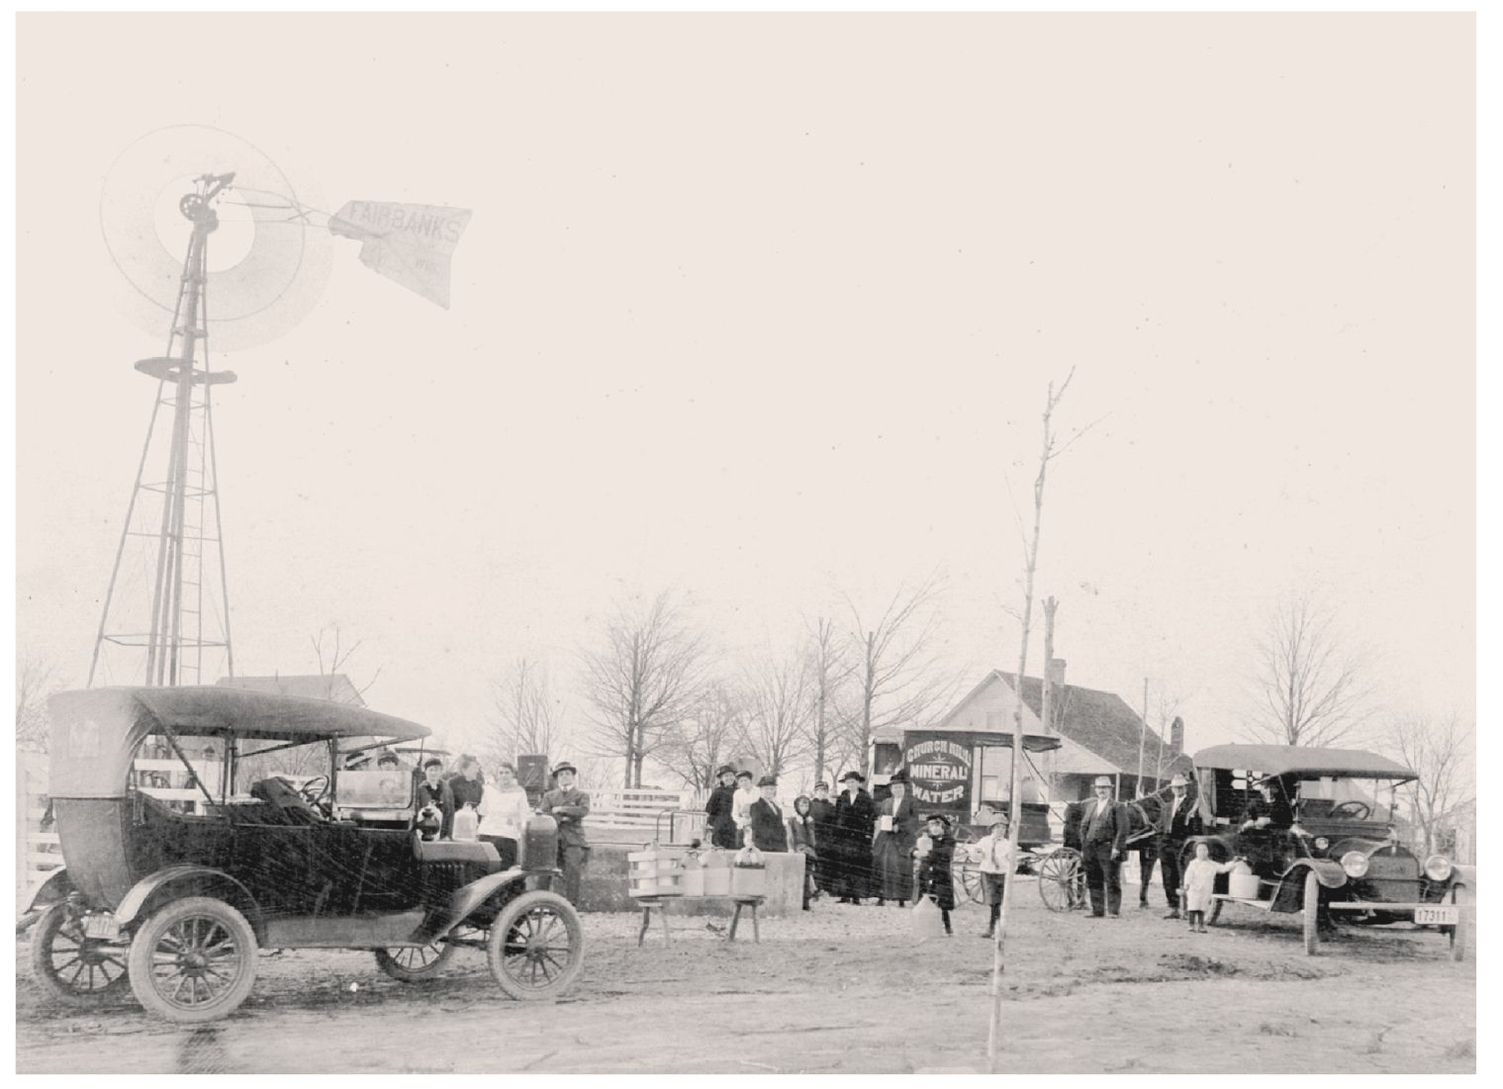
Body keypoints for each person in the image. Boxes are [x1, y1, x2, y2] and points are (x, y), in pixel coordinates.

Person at [1079, 776, 1129, 918]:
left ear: (1110, 790)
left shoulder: (1118, 806)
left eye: (1105, 788)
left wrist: (1116, 847)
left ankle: (1113, 911)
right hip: (1091, 848)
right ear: (1095, 789)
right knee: (1093, 879)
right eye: (1099, 788)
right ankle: (1098, 910)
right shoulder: (1091, 806)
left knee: (1111, 879)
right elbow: (1083, 826)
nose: (1102, 790)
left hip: (1108, 848)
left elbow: (1122, 829)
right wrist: (1085, 843)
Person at [541, 761, 591, 904]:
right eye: (561, 774)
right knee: (545, 871)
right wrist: (564, 816)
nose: (564, 777)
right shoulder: (549, 796)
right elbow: (544, 814)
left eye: (567, 773)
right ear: (557, 778)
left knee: (573, 872)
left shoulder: (581, 795)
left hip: (573, 839)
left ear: (573, 776)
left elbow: (582, 811)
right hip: (553, 839)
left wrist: (561, 809)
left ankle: (571, 906)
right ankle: (543, 904)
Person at [871, 769, 919, 907]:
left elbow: (914, 821)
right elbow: (881, 816)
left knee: (900, 865)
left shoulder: (911, 802)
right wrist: (883, 822)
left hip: (903, 839)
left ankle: (901, 898)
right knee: (881, 862)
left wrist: (901, 827)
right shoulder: (886, 802)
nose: (897, 790)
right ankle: (882, 896)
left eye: (900, 787)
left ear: (904, 788)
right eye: (895, 788)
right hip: (886, 837)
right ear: (891, 789)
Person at [1157, 773, 1201, 920]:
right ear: (1172, 789)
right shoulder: (1167, 806)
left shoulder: (1193, 804)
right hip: (1166, 845)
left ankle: (1189, 909)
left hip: (1183, 845)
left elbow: (1195, 827)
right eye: (1175, 788)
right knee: (1168, 877)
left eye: (1181, 787)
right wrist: (1160, 842)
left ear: (1185, 788)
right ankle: (1173, 908)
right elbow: (1161, 826)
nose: (1178, 790)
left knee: (1186, 877)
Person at [832, 770, 876, 904]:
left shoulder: (866, 798)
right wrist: (837, 833)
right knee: (844, 865)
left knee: (857, 865)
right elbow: (837, 816)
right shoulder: (842, 797)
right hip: (844, 837)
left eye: (853, 782)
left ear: (858, 783)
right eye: (848, 782)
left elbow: (871, 818)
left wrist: (868, 834)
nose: (850, 784)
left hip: (859, 837)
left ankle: (857, 896)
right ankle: (844, 895)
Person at [480, 760, 531, 869]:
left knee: (504, 868)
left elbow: (524, 815)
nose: (504, 776)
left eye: (507, 772)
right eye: (501, 773)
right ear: (497, 775)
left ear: (513, 774)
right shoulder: (488, 789)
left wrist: (521, 834)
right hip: (487, 832)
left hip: (507, 834)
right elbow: (482, 811)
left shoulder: (519, 792)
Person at [972, 808, 1012, 938]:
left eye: (1003, 828)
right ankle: (993, 928)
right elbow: (974, 851)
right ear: (992, 829)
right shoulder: (985, 841)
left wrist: (1011, 869)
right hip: (988, 874)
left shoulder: (1008, 844)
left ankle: (996, 929)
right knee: (992, 902)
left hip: (1002, 874)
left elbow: (1013, 861)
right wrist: (978, 853)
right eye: (998, 827)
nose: (1001, 830)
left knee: (999, 903)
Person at [1182, 843, 1241, 932]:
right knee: (1193, 907)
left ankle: (1201, 926)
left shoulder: (1212, 864)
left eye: (1204, 850)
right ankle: (1191, 925)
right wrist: (1187, 884)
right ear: (1196, 852)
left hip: (1206, 889)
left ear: (1208, 852)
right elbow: (1188, 875)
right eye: (1200, 850)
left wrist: (1234, 862)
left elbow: (1223, 868)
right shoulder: (1193, 864)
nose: (1202, 852)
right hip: (1194, 889)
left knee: (1202, 907)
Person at [916, 813, 957, 936]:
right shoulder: (926, 839)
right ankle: (926, 926)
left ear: (943, 828)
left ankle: (947, 927)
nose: (934, 828)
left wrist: (928, 853)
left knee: (942, 903)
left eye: (937, 825)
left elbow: (945, 853)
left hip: (941, 875)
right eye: (932, 826)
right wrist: (915, 853)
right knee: (925, 899)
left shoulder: (949, 841)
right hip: (926, 873)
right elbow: (914, 848)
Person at [788, 795, 819, 910]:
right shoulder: (792, 820)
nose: (804, 807)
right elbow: (790, 836)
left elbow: (812, 837)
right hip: (798, 848)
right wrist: (791, 848)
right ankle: (797, 900)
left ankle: (806, 900)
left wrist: (813, 848)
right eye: (801, 805)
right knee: (800, 875)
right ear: (797, 806)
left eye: (806, 805)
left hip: (809, 849)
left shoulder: (810, 820)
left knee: (808, 874)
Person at [808, 782, 839, 896]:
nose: (822, 792)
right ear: (815, 791)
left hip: (827, 839)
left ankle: (824, 887)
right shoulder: (810, 805)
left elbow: (835, 823)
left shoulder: (831, 807)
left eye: (824, 790)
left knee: (825, 863)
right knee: (813, 862)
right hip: (814, 837)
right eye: (819, 790)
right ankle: (813, 888)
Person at [748, 775, 790, 852]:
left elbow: (781, 827)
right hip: (764, 845)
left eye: (772, 789)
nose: (769, 791)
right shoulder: (756, 806)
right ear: (760, 790)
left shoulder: (777, 808)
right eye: (766, 789)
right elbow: (757, 827)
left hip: (779, 845)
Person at [415, 758, 455, 839]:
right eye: (430, 770)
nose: (433, 773)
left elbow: (451, 813)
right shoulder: (419, 790)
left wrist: (448, 835)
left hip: (443, 834)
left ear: (441, 772)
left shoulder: (447, 790)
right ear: (425, 771)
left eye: (436, 770)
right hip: (424, 833)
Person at [448, 754, 486, 837]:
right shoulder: (453, 783)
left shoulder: (478, 786)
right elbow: (447, 805)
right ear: (464, 770)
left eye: (477, 768)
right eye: (473, 768)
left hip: (471, 825)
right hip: (455, 824)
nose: (476, 771)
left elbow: (480, 806)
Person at [704, 765, 740, 849]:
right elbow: (710, 810)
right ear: (721, 779)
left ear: (734, 777)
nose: (729, 778)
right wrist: (712, 825)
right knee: (720, 851)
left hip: (735, 826)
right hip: (721, 826)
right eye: (726, 776)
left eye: (731, 775)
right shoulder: (718, 792)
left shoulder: (739, 791)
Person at [731, 770, 759, 841]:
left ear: (750, 780)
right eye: (741, 781)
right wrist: (740, 821)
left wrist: (753, 820)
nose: (744, 783)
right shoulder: (737, 793)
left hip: (757, 824)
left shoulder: (758, 791)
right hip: (742, 824)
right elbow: (735, 812)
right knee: (741, 846)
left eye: (745, 780)